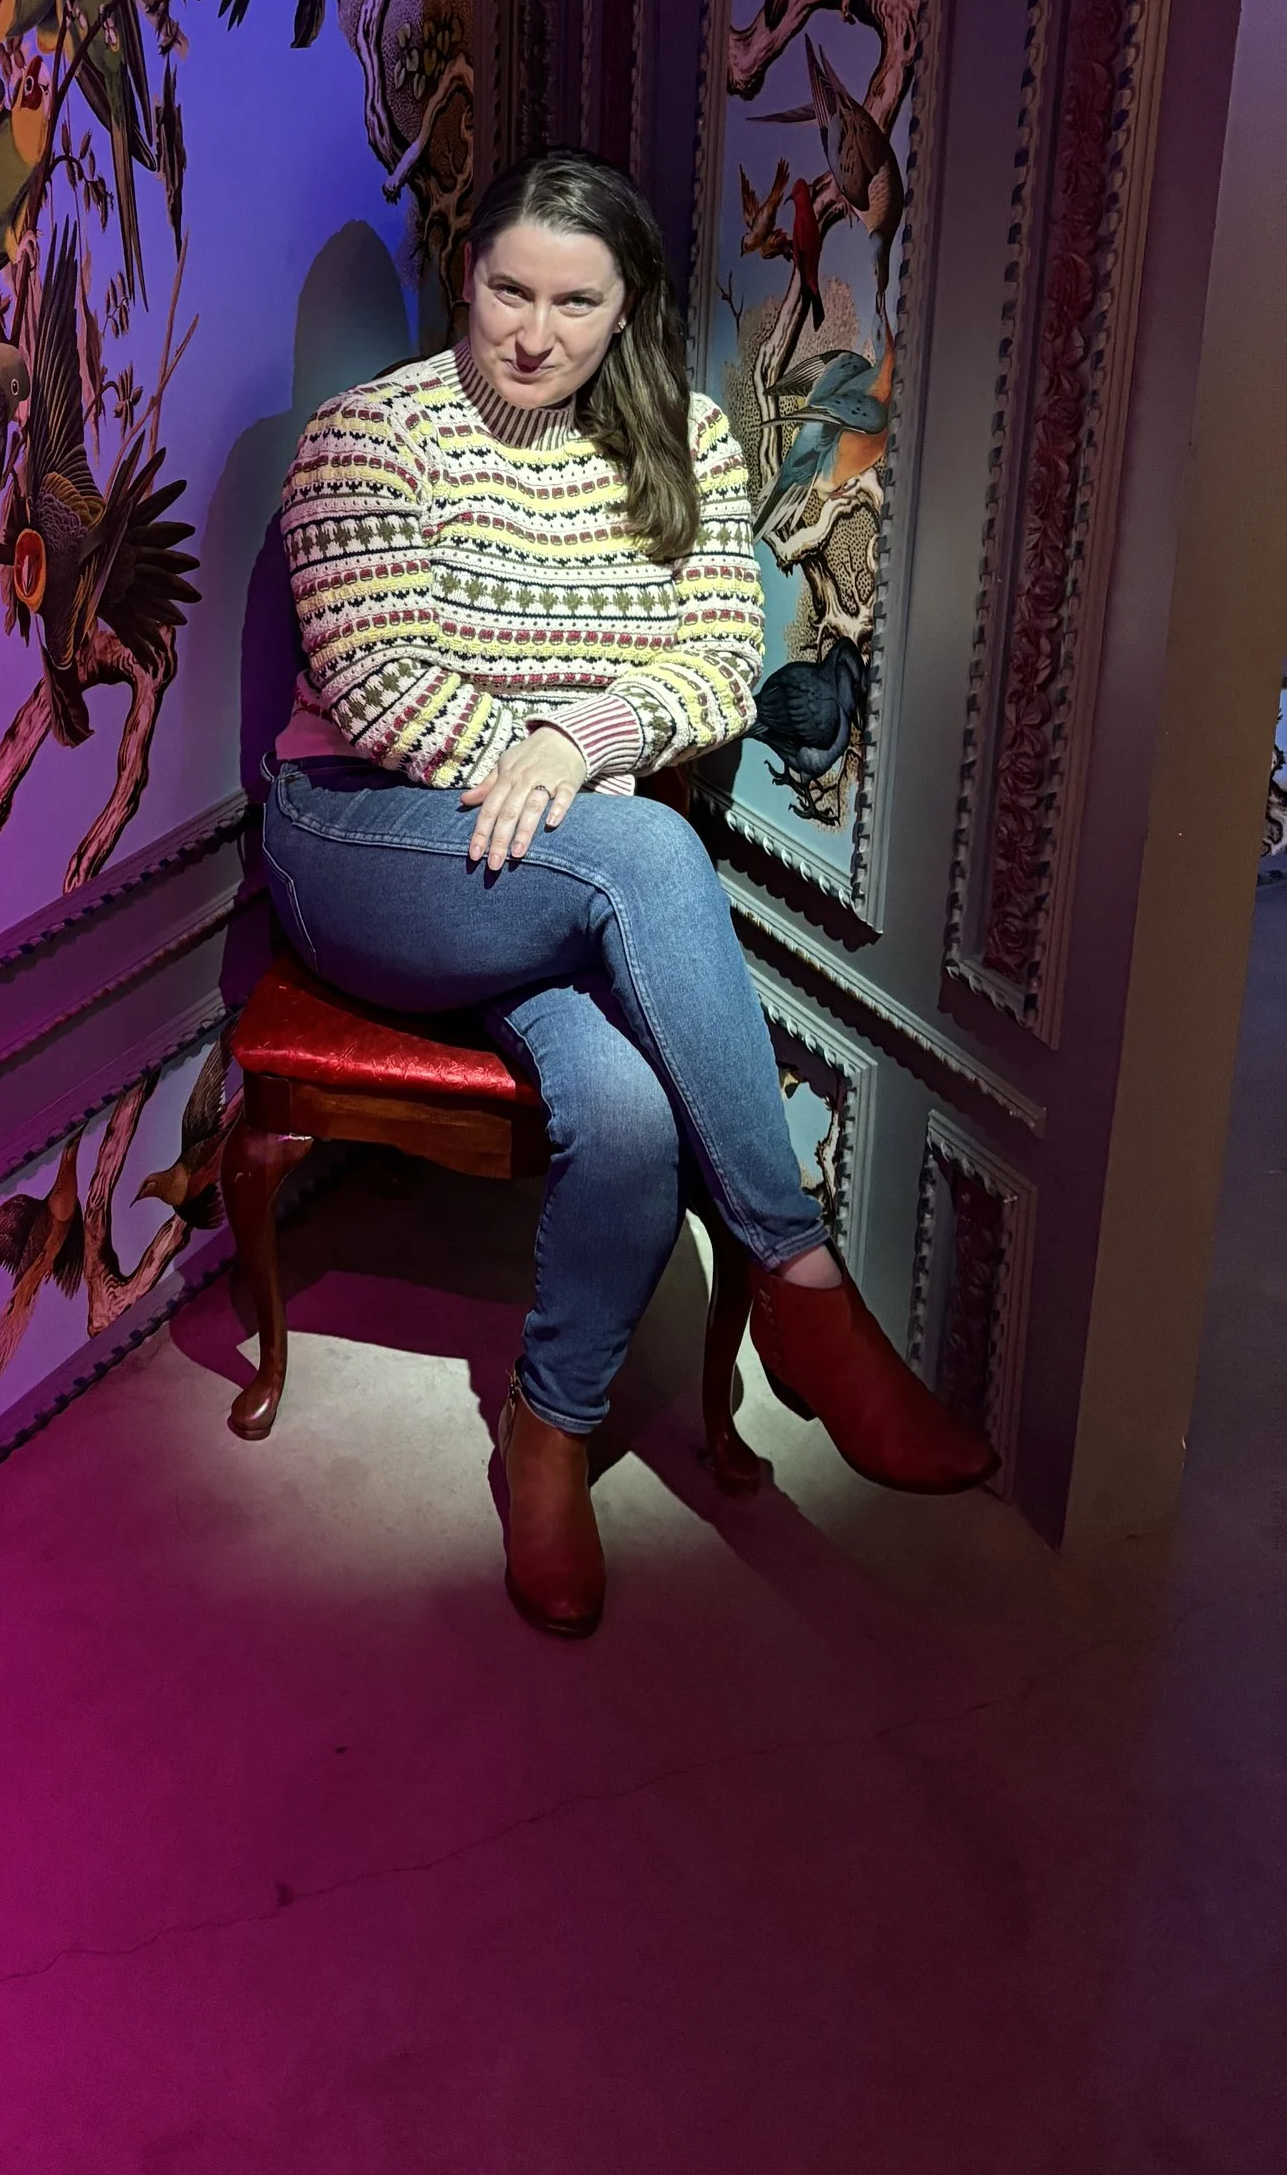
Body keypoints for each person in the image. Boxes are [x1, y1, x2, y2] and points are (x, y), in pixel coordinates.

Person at [264, 149, 993, 1636]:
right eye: (506, 291)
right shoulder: (368, 437)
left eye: (574, 302)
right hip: (367, 844)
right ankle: (803, 1292)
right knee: (653, 850)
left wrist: (576, 737)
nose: (532, 333)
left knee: (636, 1118)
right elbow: (380, 687)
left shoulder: (690, 443)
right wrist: (546, 761)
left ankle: (550, 1431)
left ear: (625, 309)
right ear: (463, 277)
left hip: (557, 860)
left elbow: (724, 664)